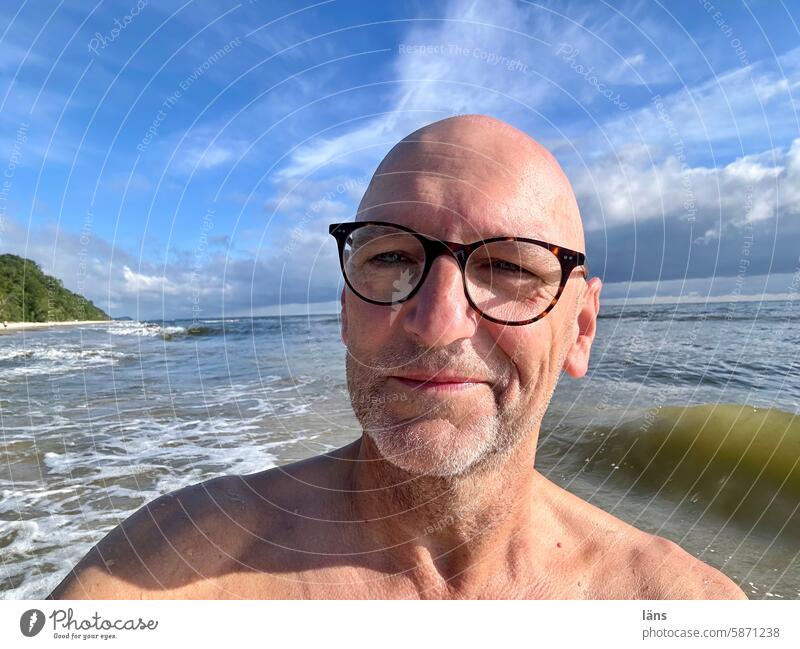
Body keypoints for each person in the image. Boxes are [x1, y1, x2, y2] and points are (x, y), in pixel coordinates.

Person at [48, 115, 747, 600]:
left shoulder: (679, 608)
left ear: (582, 329)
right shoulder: (175, 572)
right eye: (389, 256)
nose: (437, 320)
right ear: (345, 307)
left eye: (508, 267)